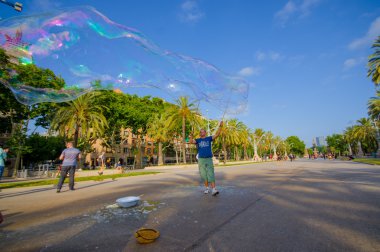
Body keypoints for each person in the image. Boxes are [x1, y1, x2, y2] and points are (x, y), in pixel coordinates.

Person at [189, 121, 223, 196]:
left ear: (205, 133)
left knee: (211, 174)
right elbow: (191, 141)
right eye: (200, 132)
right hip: (201, 160)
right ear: (199, 133)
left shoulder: (209, 138)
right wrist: (191, 136)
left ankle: (214, 189)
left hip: (209, 159)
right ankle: (207, 188)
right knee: (203, 175)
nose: (202, 133)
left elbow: (217, 134)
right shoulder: (198, 140)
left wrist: (220, 126)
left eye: (203, 132)